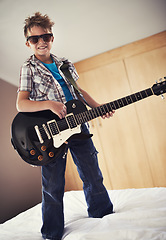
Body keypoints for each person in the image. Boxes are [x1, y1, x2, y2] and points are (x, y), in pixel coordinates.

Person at [16, 12, 115, 240]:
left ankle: (103, 217)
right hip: (51, 135)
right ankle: (51, 233)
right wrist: (50, 104)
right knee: (52, 186)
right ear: (28, 43)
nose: (41, 42)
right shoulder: (28, 68)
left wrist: (98, 106)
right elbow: (21, 104)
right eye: (35, 39)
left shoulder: (65, 64)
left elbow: (79, 93)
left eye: (46, 36)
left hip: (79, 126)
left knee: (92, 175)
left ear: (52, 38)